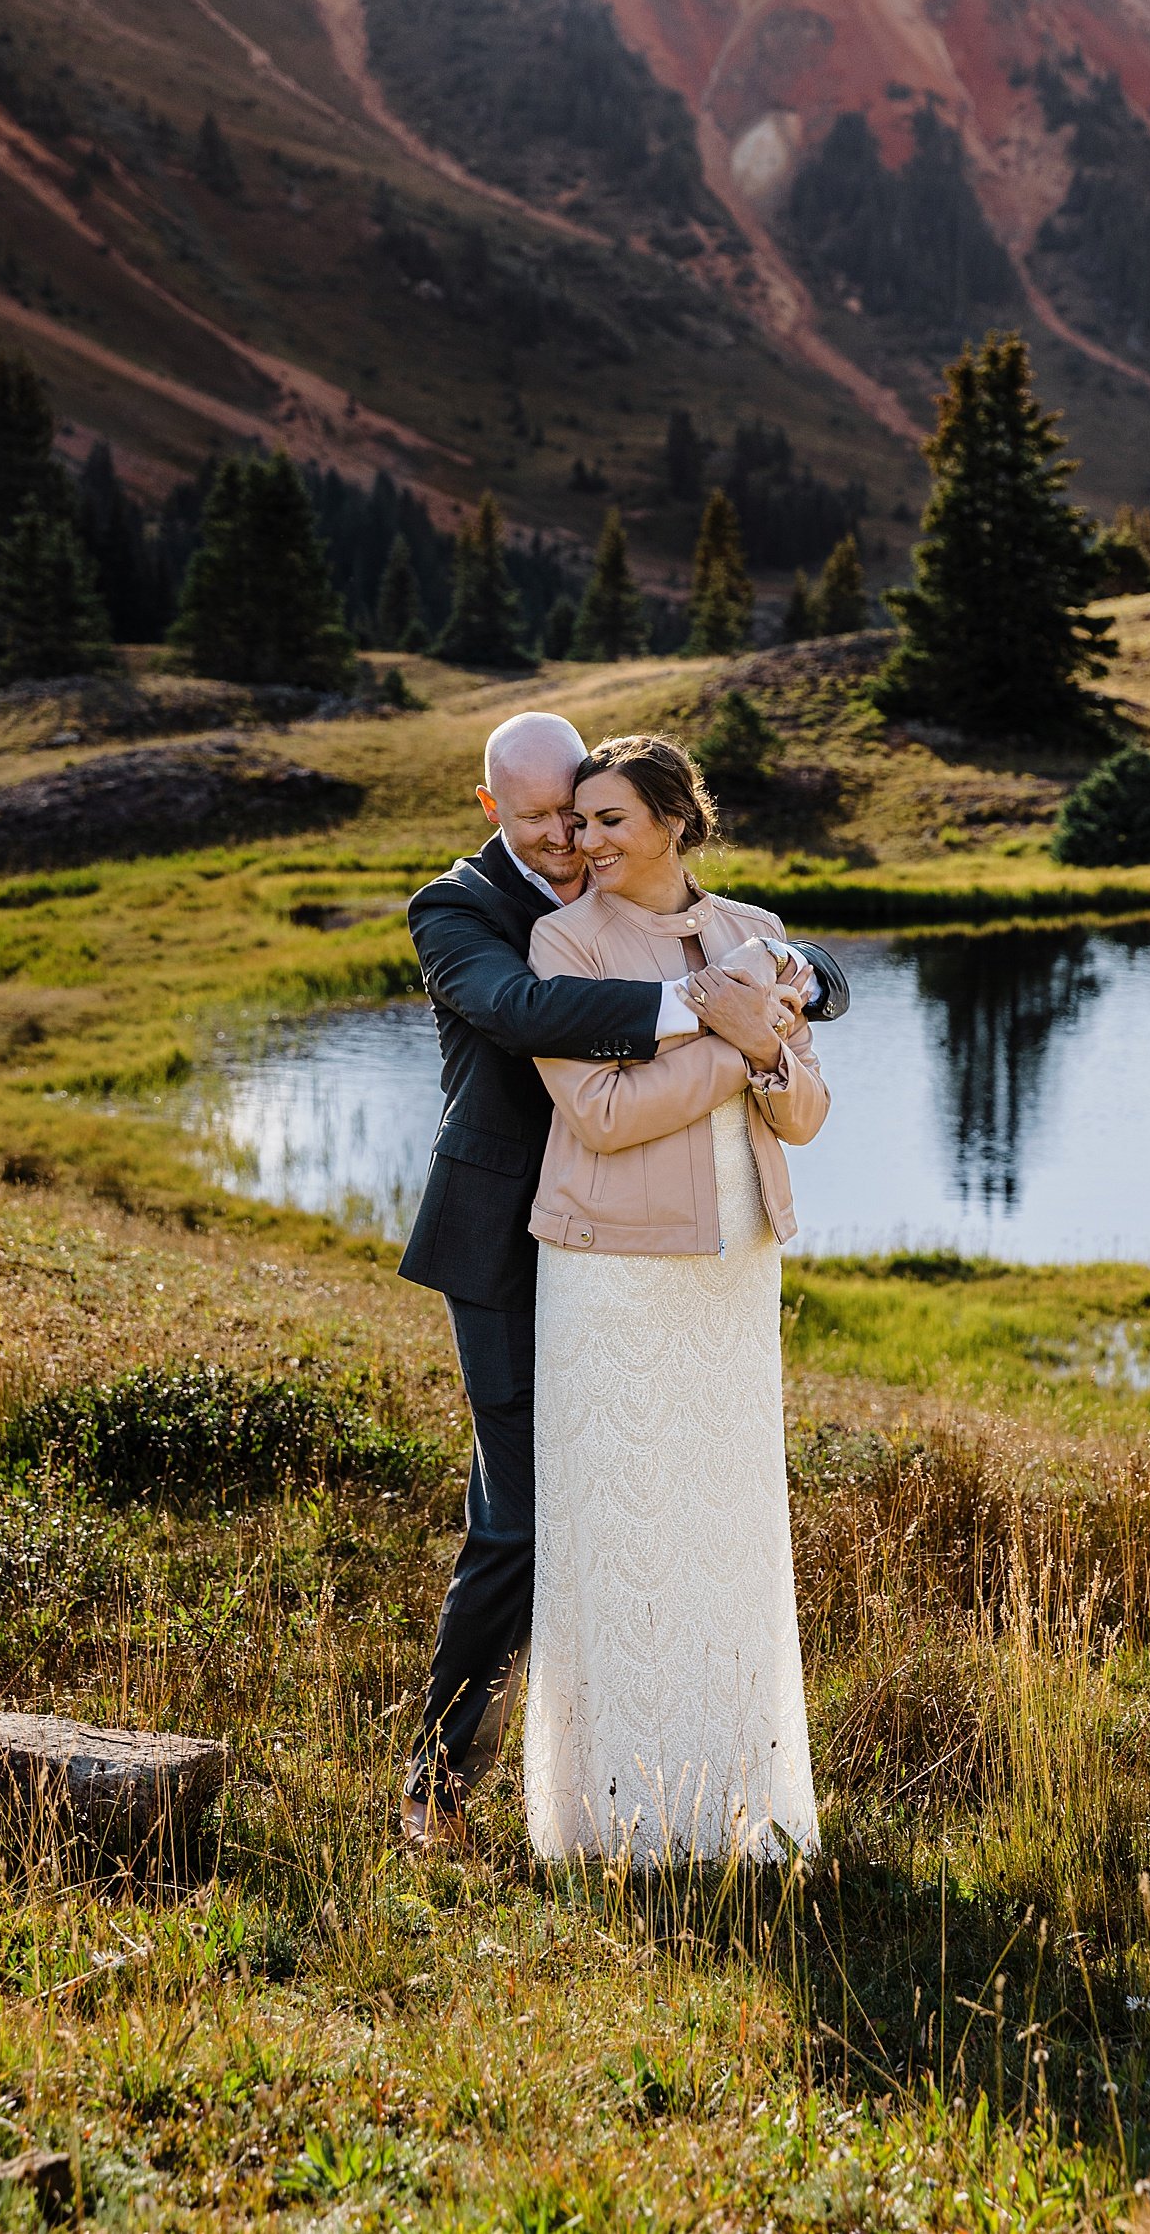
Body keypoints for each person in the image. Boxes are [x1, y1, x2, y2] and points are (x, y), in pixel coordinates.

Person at [398, 711, 847, 1849]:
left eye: (588, 810)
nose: (571, 838)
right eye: (546, 815)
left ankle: (682, 1761)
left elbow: (794, 971)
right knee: (521, 1519)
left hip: (671, 1253)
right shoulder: (460, 908)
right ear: (494, 806)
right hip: (509, 1237)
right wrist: (724, 1016)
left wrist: (795, 979)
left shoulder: (692, 907)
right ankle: (439, 1781)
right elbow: (520, 1013)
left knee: (660, 1504)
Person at [524, 733, 829, 1866]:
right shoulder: (563, 939)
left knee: (726, 1526)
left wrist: (767, 1059)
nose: (584, 841)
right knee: (626, 1526)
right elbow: (600, 1113)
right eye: (579, 821)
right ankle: (620, 1818)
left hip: (737, 1264)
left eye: (609, 820)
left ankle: (742, 1809)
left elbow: (803, 1115)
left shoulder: (753, 930)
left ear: (674, 820)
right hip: (616, 1273)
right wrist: (737, 1032)